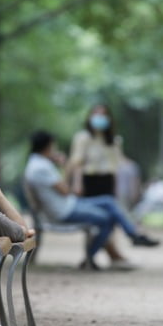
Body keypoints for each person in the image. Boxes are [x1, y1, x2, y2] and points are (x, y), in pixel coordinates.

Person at [25, 130, 159, 270]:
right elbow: (65, 190)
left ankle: (132, 234)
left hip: (68, 205)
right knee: (107, 218)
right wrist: (64, 166)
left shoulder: (36, 164)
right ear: (48, 147)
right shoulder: (42, 167)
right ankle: (91, 257)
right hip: (64, 210)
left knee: (108, 201)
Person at [66, 104, 135, 270]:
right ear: (90, 117)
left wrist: (117, 188)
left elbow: (116, 166)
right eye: (96, 114)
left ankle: (94, 256)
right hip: (89, 182)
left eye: (103, 114)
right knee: (92, 221)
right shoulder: (83, 138)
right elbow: (77, 163)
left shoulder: (114, 140)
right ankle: (108, 253)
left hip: (107, 182)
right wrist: (77, 183)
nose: (100, 118)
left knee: (110, 220)